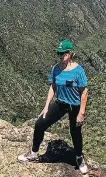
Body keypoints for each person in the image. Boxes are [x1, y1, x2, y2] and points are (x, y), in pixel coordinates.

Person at [18, 39, 90, 174]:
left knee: (75, 132)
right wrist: (46, 106)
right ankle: (33, 153)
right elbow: (53, 86)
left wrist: (81, 112)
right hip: (60, 103)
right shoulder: (56, 68)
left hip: (74, 105)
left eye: (64, 54)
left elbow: (84, 91)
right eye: (59, 54)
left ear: (70, 53)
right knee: (40, 124)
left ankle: (79, 158)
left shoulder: (78, 71)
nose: (61, 56)